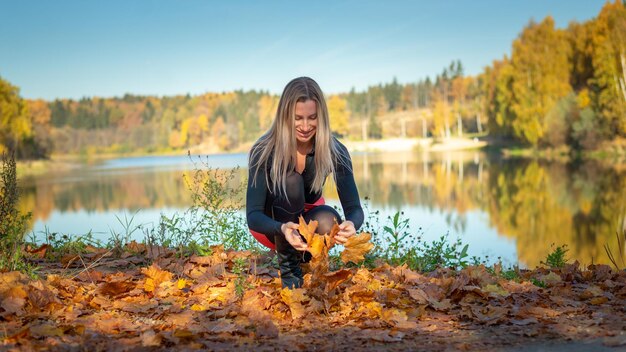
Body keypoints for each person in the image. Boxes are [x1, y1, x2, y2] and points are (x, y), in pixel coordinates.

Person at [246, 77, 364, 289]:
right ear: (285, 116)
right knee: (291, 181)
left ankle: (304, 262)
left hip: (308, 227)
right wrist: (282, 228)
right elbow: (253, 216)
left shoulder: (335, 150)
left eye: (312, 118)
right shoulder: (263, 150)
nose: (305, 126)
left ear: (322, 117)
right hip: (272, 226)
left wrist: (352, 224)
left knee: (330, 219)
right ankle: (290, 274)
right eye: (298, 118)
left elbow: (354, 208)